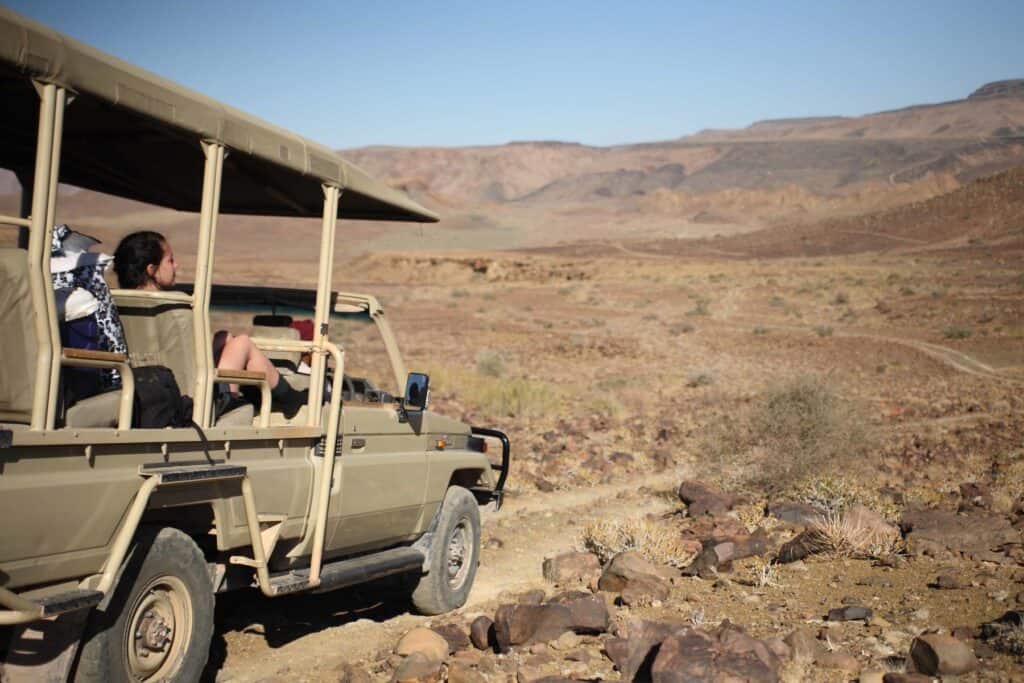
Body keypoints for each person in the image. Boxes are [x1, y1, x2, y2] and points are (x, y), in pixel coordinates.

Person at [113, 230, 306, 417]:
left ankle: (268, 393)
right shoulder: (170, 308)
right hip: (190, 398)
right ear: (151, 270)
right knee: (243, 343)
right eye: (170, 260)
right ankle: (289, 399)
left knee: (224, 338)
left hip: (146, 387)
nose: (176, 265)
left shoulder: (118, 303)